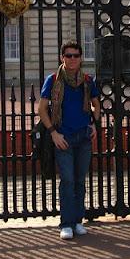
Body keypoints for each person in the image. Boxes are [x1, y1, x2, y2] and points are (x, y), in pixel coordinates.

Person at [39, 41, 101, 240]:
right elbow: (41, 109)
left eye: (75, 55)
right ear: (62, 58)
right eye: (68, 55)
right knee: (67, 180)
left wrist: (95, 125)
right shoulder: (54, 79)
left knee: (80, 180)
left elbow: (96, 105)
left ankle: (77, 220)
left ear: (81, 58)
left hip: (83, 136)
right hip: (63, 137)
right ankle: (66, 223)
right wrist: (53, 133)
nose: (72, 59)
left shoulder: (87, 80)